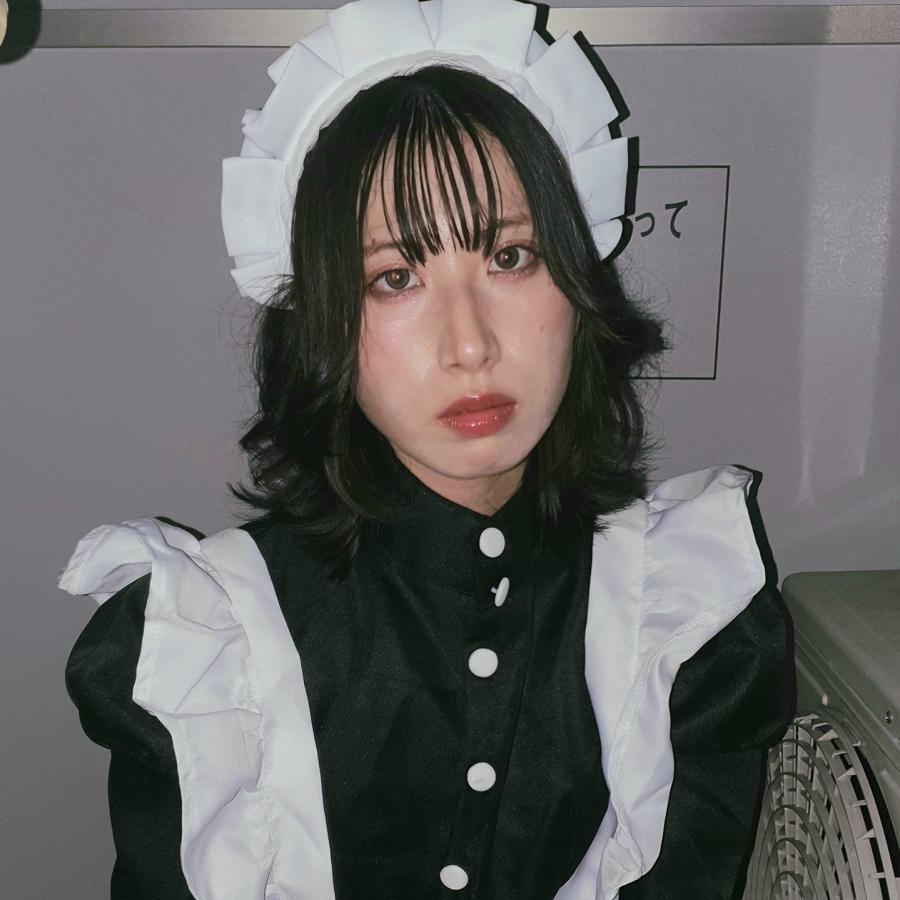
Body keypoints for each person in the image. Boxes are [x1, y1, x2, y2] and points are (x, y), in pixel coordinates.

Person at [58, 0, 795, 897]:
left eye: (510, 257)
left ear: (576, 283)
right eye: (396, 277)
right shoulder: (212, 644)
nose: (469, 344)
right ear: (323, 322)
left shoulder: (680, 617)